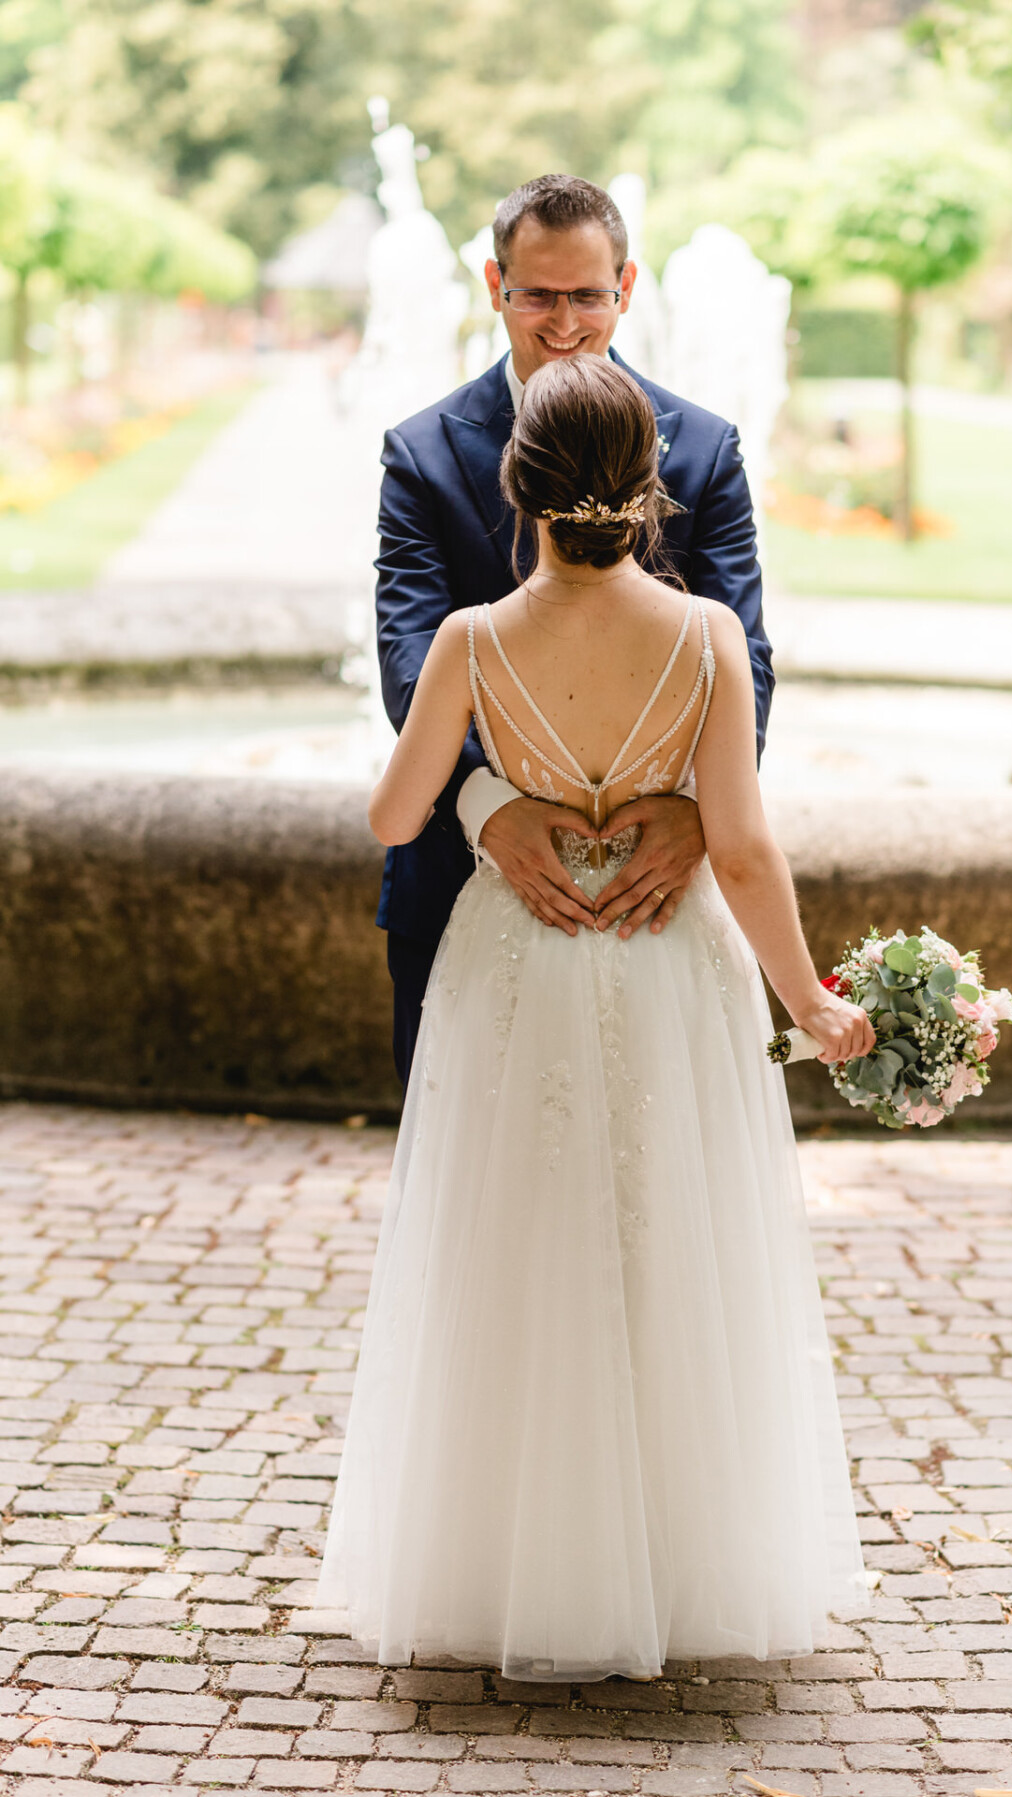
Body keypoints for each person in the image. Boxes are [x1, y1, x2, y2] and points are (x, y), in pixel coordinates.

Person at [316, 352, 873, 1680]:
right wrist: (812, 1003)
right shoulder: (705, 639)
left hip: (515, 959)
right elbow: (741, 851)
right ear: (651, 488)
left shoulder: (470, 640)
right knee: (673, 1234)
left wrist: (484, 795)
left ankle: (507, 1559)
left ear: (519, 486)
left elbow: (396, 816)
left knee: (509, 1242)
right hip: (667, 955)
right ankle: (683, 1574)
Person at [374, 173, 773, 1083]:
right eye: (538, 295)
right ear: (494, 285)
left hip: (657, 902)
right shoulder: (422, 451)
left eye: (588, 295)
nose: (564, 322)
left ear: (626, 288)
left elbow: (744, 654)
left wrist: (702, 816)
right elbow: (409, 656)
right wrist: (485, 806)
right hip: (460, 887)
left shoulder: (705, 449)